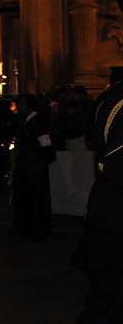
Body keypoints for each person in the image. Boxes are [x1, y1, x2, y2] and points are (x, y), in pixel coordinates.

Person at [76, 67, 123, 323]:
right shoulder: (119, 103)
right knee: (107, 301)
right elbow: (115, 165)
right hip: (114, 216)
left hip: (111, 214)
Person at [12, 94, 55, 241]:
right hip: (25, 165)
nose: (19, 107)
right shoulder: (24, 121)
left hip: (35, 167)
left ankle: (37, 229)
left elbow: (46, 144)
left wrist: (39, 156)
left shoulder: (39, 122)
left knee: (36, 196)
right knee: (24, 195)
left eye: (22, 104)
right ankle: (24, 226)